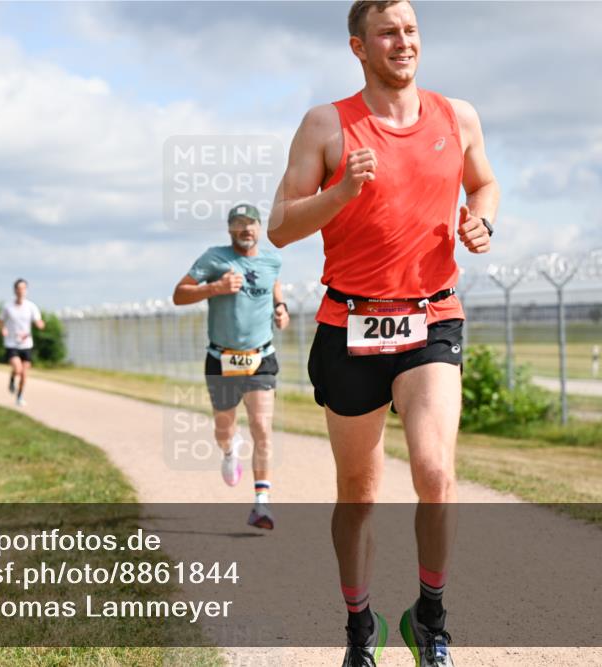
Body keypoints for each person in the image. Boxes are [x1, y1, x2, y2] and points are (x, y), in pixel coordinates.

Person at [267, 2, 499, 665]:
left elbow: (484, 183)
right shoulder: (326, 124)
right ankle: (359, 628)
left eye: (411, 30)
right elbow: (279, 226)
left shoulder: (458, 116)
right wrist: (339, 194)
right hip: (349, 325)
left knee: (436, 472)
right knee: (359, 495)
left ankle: (431, 618)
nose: (403, 42)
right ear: (358, 47)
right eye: (388, 33)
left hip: (431, 317)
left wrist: (482, 220)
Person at [173, 203, 290, 530]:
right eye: (239, 223)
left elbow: (274, 284)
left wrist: (281, 307)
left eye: (251, 223)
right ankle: (229, 451)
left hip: (261, 357)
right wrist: (215, 288)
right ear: (230, 229)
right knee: (224, 430)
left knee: (261, 426)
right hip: (221, 358)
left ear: (259, 227)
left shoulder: (272, 260)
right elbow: (179, 295)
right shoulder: (214, 258)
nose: (246, 229)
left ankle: (262, 503)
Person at [0, 279, 45, 407]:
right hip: (12, 343)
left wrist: (40, 324)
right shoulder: (8, 307)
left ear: (26, 290)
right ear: (15, 290)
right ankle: (12, 378)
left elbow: (38, 321)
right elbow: (0, 320)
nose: (21, 291)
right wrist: (3, 329)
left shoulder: (31, 306)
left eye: (23, 288)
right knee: (18, 370)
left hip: (26, 344)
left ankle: (19, 396)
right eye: (19, 288)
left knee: (24, 374)